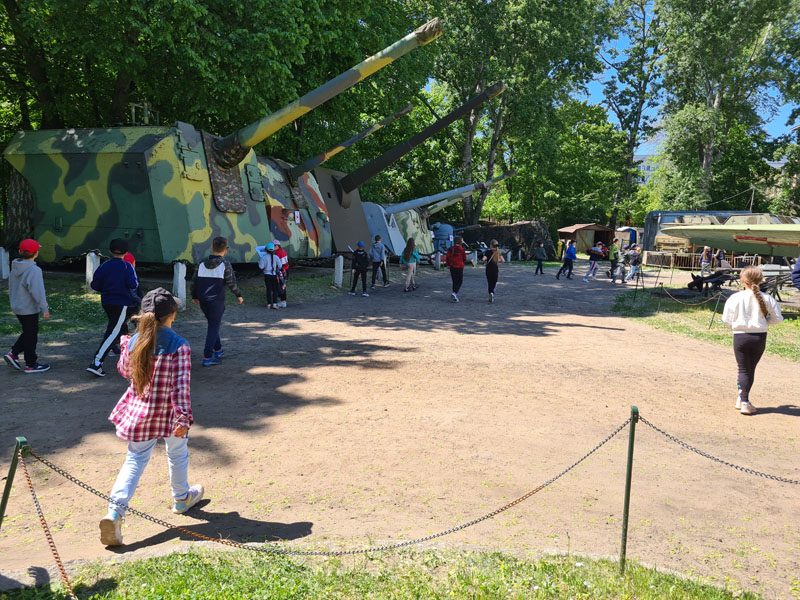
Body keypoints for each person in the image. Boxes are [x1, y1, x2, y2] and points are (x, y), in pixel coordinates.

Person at [99, 288, 203, 547]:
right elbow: (180, 387)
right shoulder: (179, 345)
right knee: (177, 453)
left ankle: (115, 512)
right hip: (169, 414)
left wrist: (129, 346)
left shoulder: (135, 341)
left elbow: (125, 372)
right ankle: (181, 498)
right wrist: (183, 418)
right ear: (173, 314)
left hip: (140, 410)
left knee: (134, 459)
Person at [721, 266, 783, 415]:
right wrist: (765, 323)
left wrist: (735, 327)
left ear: (742, 280)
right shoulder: (768, 298)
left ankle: (743, 401)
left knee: (743, 369)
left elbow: (726, 319)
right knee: (750, 369)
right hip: (759, 337)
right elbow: (778, 319)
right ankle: (743, 399)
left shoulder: (735, 298)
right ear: (761, 280)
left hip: (740, 336)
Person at [87, 238, 140, 377]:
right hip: (121, 303)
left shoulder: (104, 266)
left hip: (107, 302)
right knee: (113, 331)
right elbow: (133, 284)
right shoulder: (127, 267)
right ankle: (97, 362)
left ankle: (126, 352)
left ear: (110, 251)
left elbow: (95, 285)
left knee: (118, 327)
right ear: (126, 252)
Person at [192, 236, 244, 367]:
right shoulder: (225, 264)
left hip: (203, 300)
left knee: (212, 324)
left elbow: (194, 282)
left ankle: (218, 349)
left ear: (211, 248)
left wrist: (194, 296)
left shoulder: (201, 263)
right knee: (213, 326)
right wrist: (238, 295)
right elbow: (231, 283)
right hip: (216, 301)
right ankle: (208, 356)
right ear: (225, 251)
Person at [4, 238, 51, 373]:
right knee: (31, 335)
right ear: (36, 253)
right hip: (28, 308)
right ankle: (30, 363)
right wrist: (44, 308)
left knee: (29, 331)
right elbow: (38, 292)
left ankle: (13, 353)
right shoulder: (34, 270)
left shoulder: (15, 267)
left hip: (17, 306)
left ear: (20, 251)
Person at [258, 242, 283, 309]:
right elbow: (280, 266)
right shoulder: (276, 257)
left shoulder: (264, 257)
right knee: (275, 290)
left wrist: (259, 262)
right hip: (274, 275)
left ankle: (269, 304)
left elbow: (261, 267)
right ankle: (275, 303)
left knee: (268, 289)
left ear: (266, 250)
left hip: (267, 275)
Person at [445, 236, 467, 302]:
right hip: (459, 266)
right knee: (460, 280)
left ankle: (454, 292)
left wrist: (448, 264)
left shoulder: (451, 249)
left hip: (452, 266)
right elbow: (464, 258)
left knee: (454, 280)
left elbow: (448, 257)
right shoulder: (462, 249)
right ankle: (454, 293)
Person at [273, 240, 289, 308]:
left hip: (282, 271)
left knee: (282, 286)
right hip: (286, 270)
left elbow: (278, 264)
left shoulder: (277, 253)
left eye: (274, 246)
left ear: (277, 246)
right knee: (283, 285)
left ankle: (283, 302)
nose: (273, 247)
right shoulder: (283, 250)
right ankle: (282, 300)